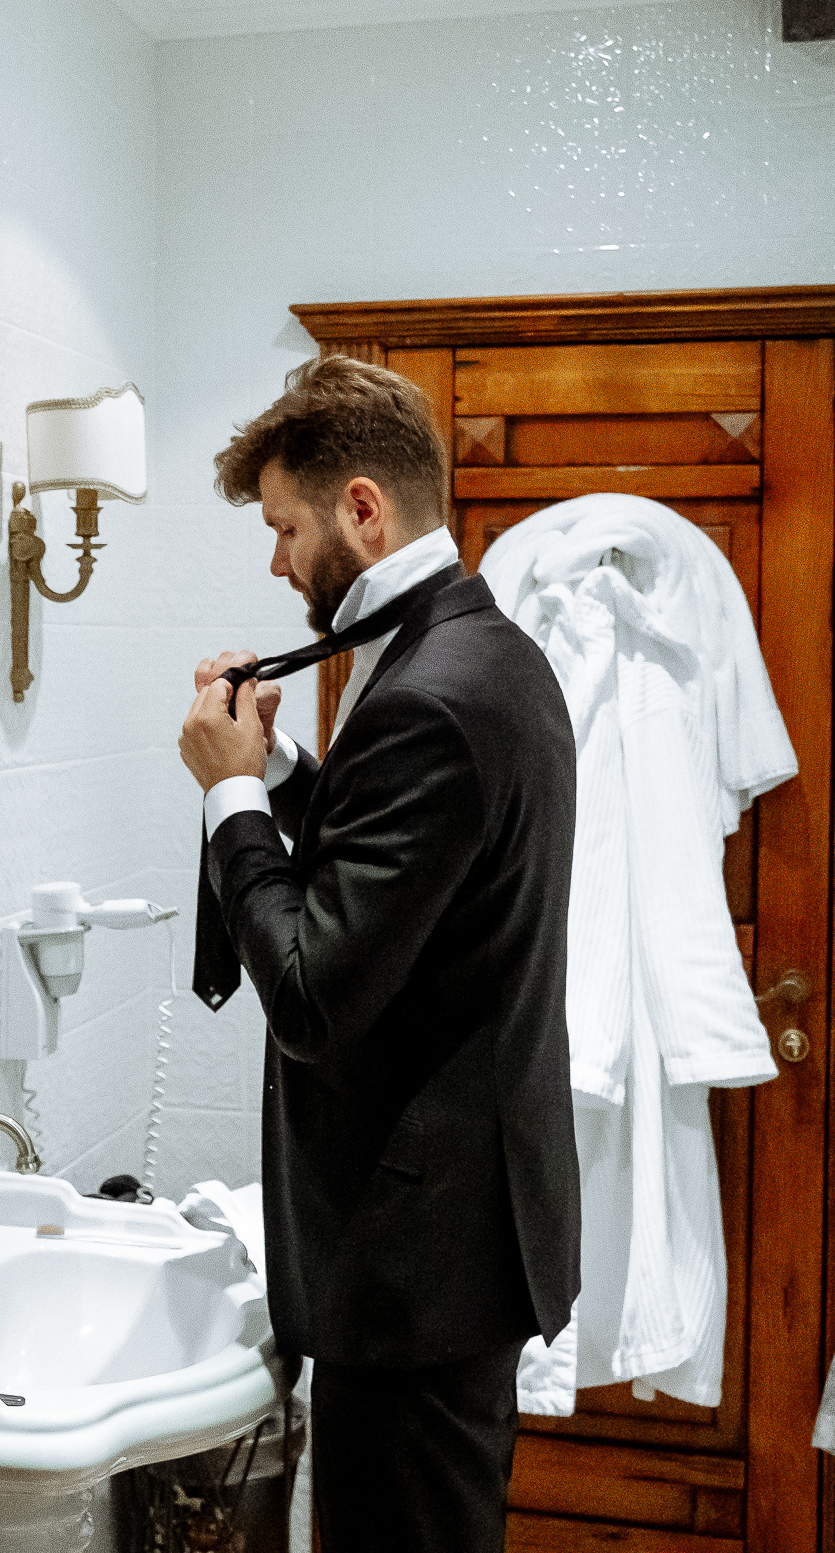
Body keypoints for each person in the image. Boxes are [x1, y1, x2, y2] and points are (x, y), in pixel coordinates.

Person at [178, 356, 579, 1551]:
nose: (276, 560)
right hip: (450, 1245)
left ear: (362, 506)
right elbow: (409, 876)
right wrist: (295, 774)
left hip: (416, 1270)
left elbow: (311, 990)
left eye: (285, 526)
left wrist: (232, 796)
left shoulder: (430, 693)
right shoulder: (475, 649)